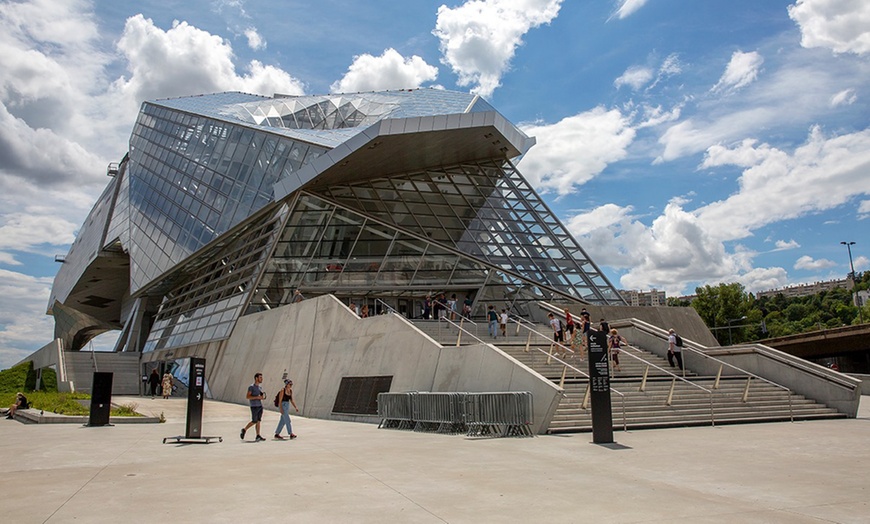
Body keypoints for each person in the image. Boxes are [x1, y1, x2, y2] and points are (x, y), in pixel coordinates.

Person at [241, 372, 267, 442]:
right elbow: (248, 396)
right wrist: (257, 397)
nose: (262, 379)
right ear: (256, 378)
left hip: (259, 406)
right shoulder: (251, 387)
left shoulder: (260, 387)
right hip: (254, 406)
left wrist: (261, 397)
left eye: (262, 377)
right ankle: (244, 429)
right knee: (254, 421)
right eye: (260, 377)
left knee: (258, 421)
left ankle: (258, 435)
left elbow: (260, 396)